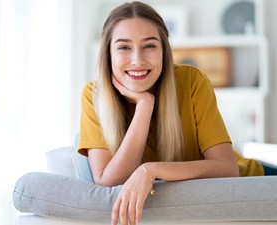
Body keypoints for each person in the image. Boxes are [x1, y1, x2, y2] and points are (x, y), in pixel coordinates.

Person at [77, 1, 264, 225]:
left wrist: (150, 170)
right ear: (107, 54)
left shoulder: (192, 81)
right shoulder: (94, 96)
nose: (137, 60)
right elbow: (108, 183)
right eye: (124, 47)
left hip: (254, 183)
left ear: (164, 51)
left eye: (149, 46)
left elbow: (227, 168)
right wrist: (144, 105)